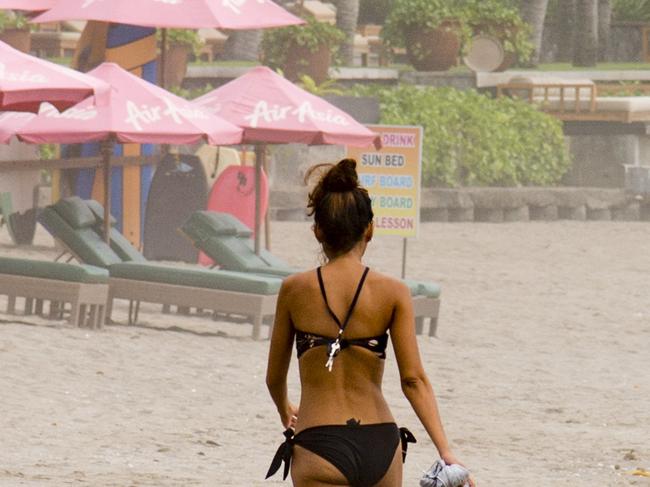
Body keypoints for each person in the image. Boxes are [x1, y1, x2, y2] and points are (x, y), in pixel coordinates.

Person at [266, 158, 474, 487]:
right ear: (370, 229)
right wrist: (445, 451)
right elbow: (413, 380)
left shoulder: (294, 290)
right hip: (381, 444)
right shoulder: (394, 292)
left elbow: (274, 376)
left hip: (319, 443)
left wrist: (284, 410)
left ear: (318, 230)